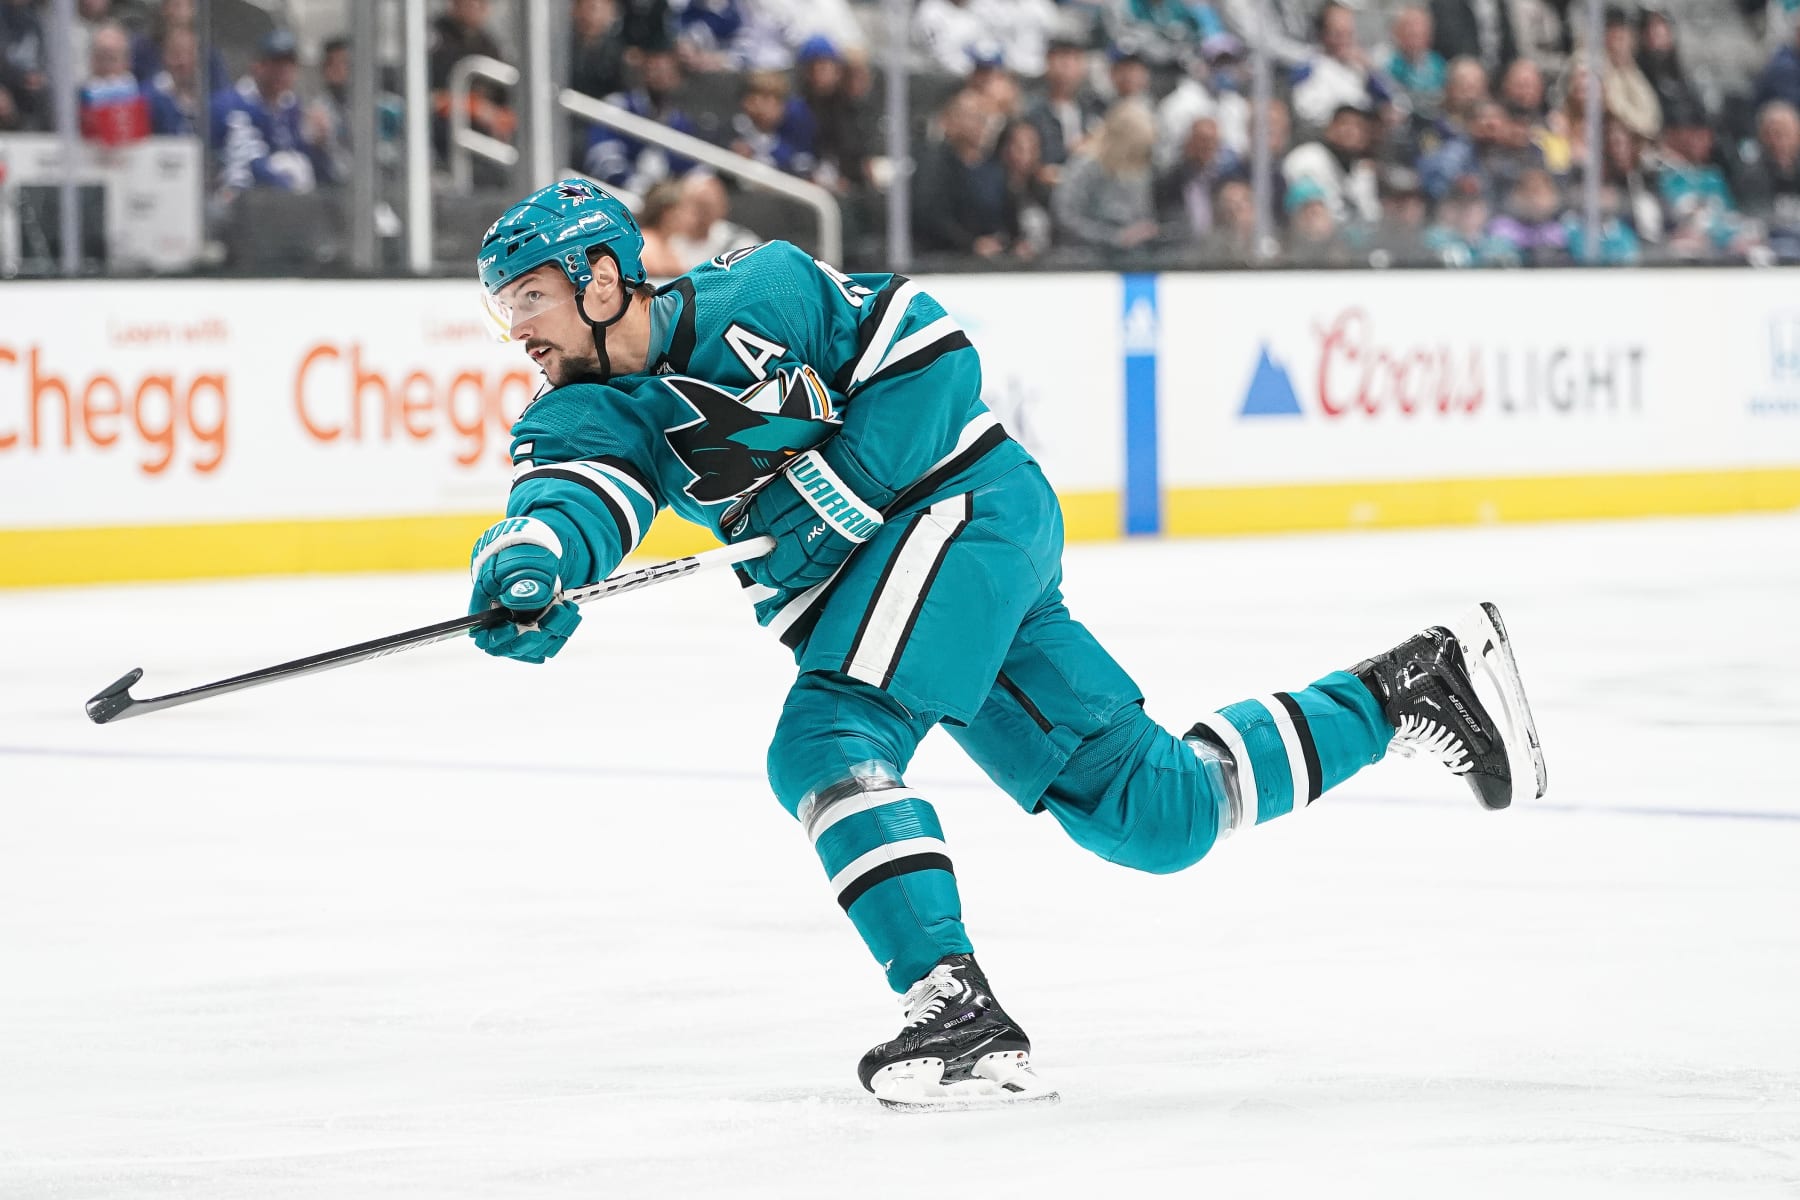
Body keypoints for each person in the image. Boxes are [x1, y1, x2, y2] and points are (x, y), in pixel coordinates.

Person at [465, 177, 1548, 1108]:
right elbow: (567, 499)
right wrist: (529, 569)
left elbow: (931, 349)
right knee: (1154, 813)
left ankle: (954, 1006)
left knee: (826, 739)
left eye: (531, 298)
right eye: (502, 308)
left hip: (967, 515)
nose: (517, 326)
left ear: (603, 277)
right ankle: (1404, 690)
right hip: (904, 582)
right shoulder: (585, 410)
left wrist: (850, 483)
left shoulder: (767, 290)